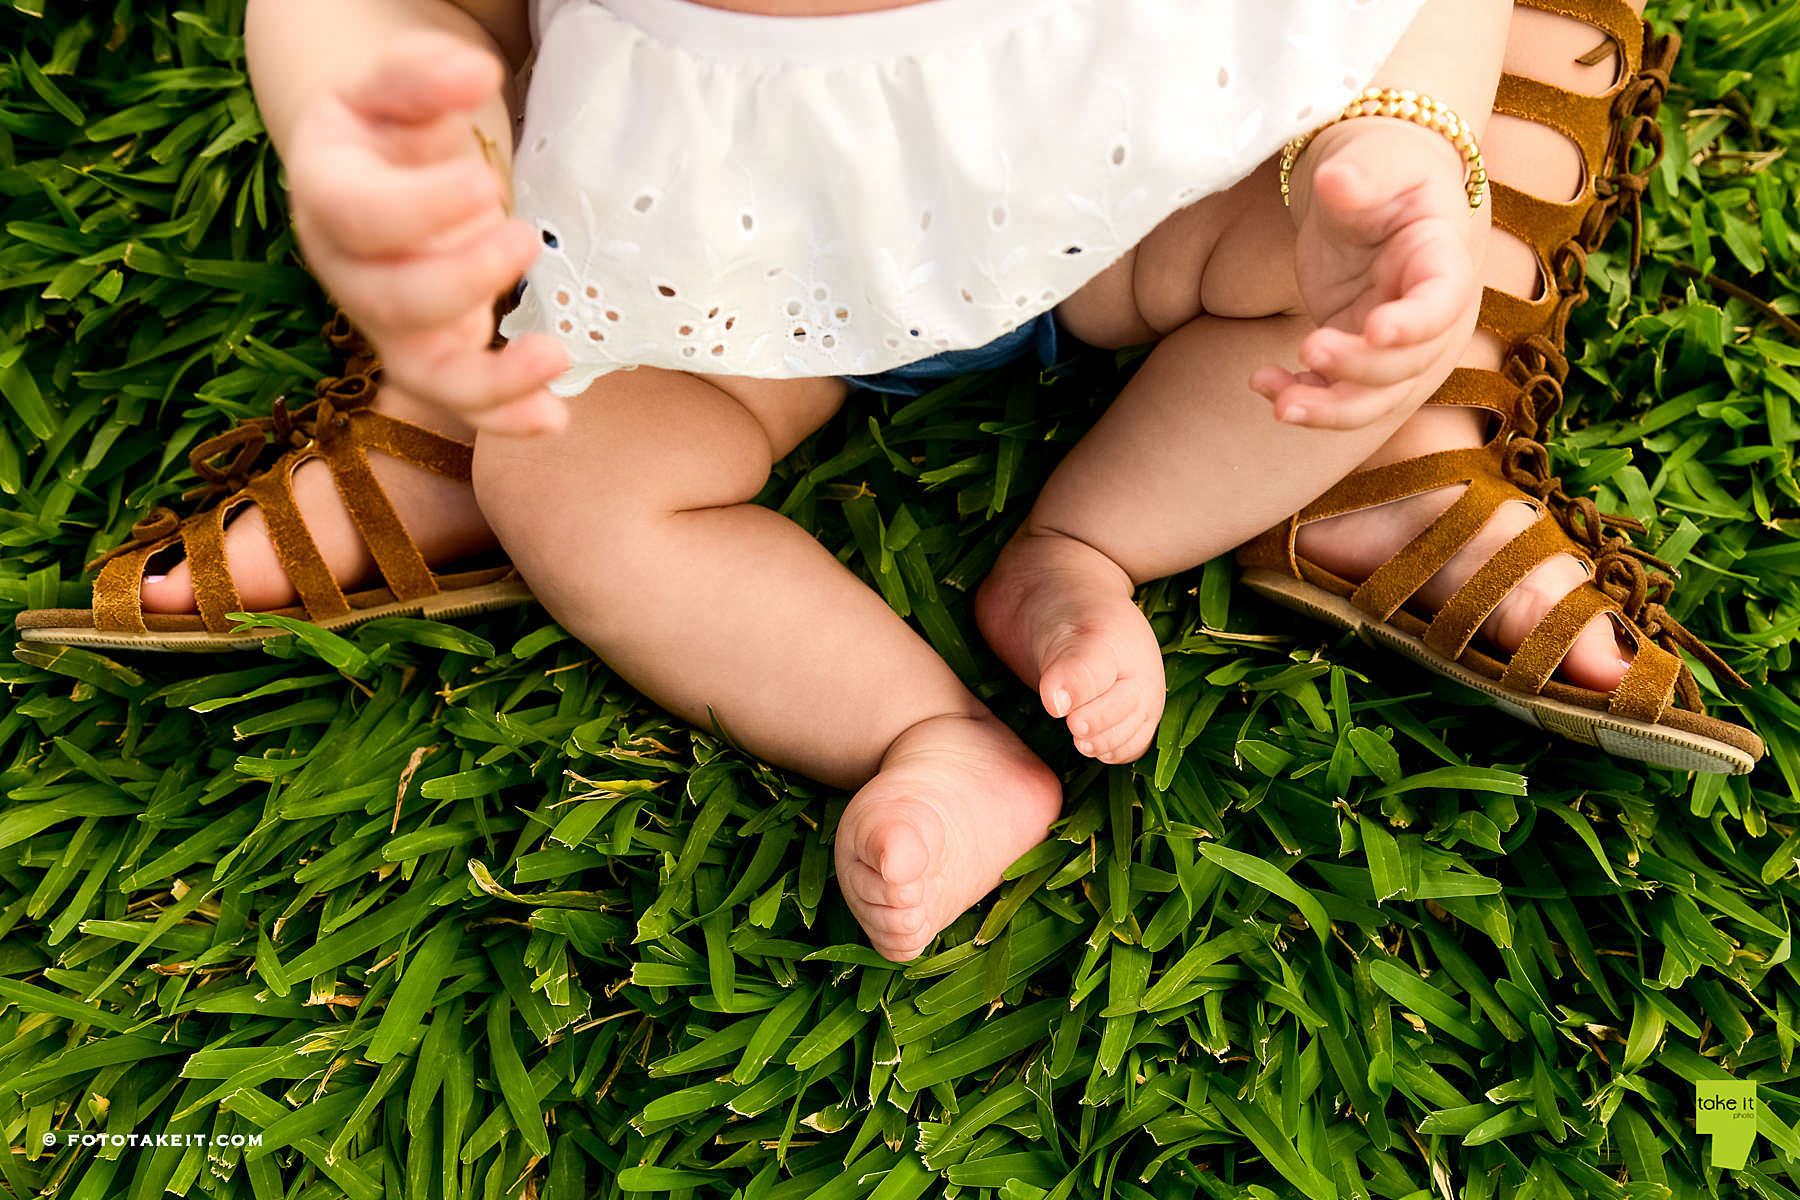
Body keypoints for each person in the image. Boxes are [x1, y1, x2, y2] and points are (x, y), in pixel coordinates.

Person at [16, 0, 1762, 962]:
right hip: (728, 255)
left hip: (1139, 170)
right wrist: (372, 129)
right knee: (579, 486)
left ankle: (1089, 542)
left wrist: (1391, 152)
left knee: (1355, 311)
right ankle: (918, 730)